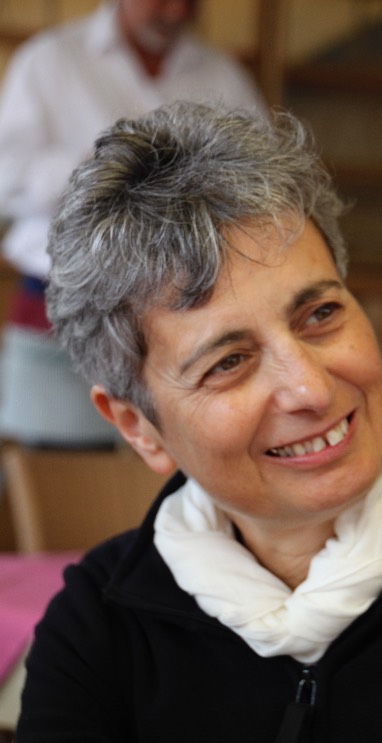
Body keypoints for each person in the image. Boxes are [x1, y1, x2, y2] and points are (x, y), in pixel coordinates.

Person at [14, 102, 382, 743]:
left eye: (320, 314)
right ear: (138, 427)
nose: (310, 388)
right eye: (229, 362)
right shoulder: (99, 632)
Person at [0, 0, 266, 446]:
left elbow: (258, 180)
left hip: (190, 308)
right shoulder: (50, 60)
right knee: (55, 465)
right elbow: (6, 176)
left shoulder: (223, 75)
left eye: (189, 1)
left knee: (179, 461)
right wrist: (102, 170)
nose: (176, 13)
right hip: (61, 304)